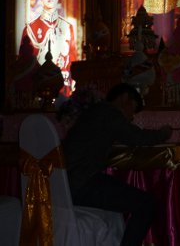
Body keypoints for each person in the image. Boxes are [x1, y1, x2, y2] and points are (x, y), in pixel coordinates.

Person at [62, 83, 172, 246]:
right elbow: (137, 137)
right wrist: (165, 133)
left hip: (71, 182)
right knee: (147, 204)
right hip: (81, 184)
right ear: (124, 99)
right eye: (132, 110)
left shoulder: (96, 111)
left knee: (129, 197)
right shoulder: (108, 113)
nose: (131, 117)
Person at [22, 0, 77, 94]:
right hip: (39, 91)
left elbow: (72, 64)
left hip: (64, 92)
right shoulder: (29, 29)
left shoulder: (68, 27)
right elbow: (24, 69)